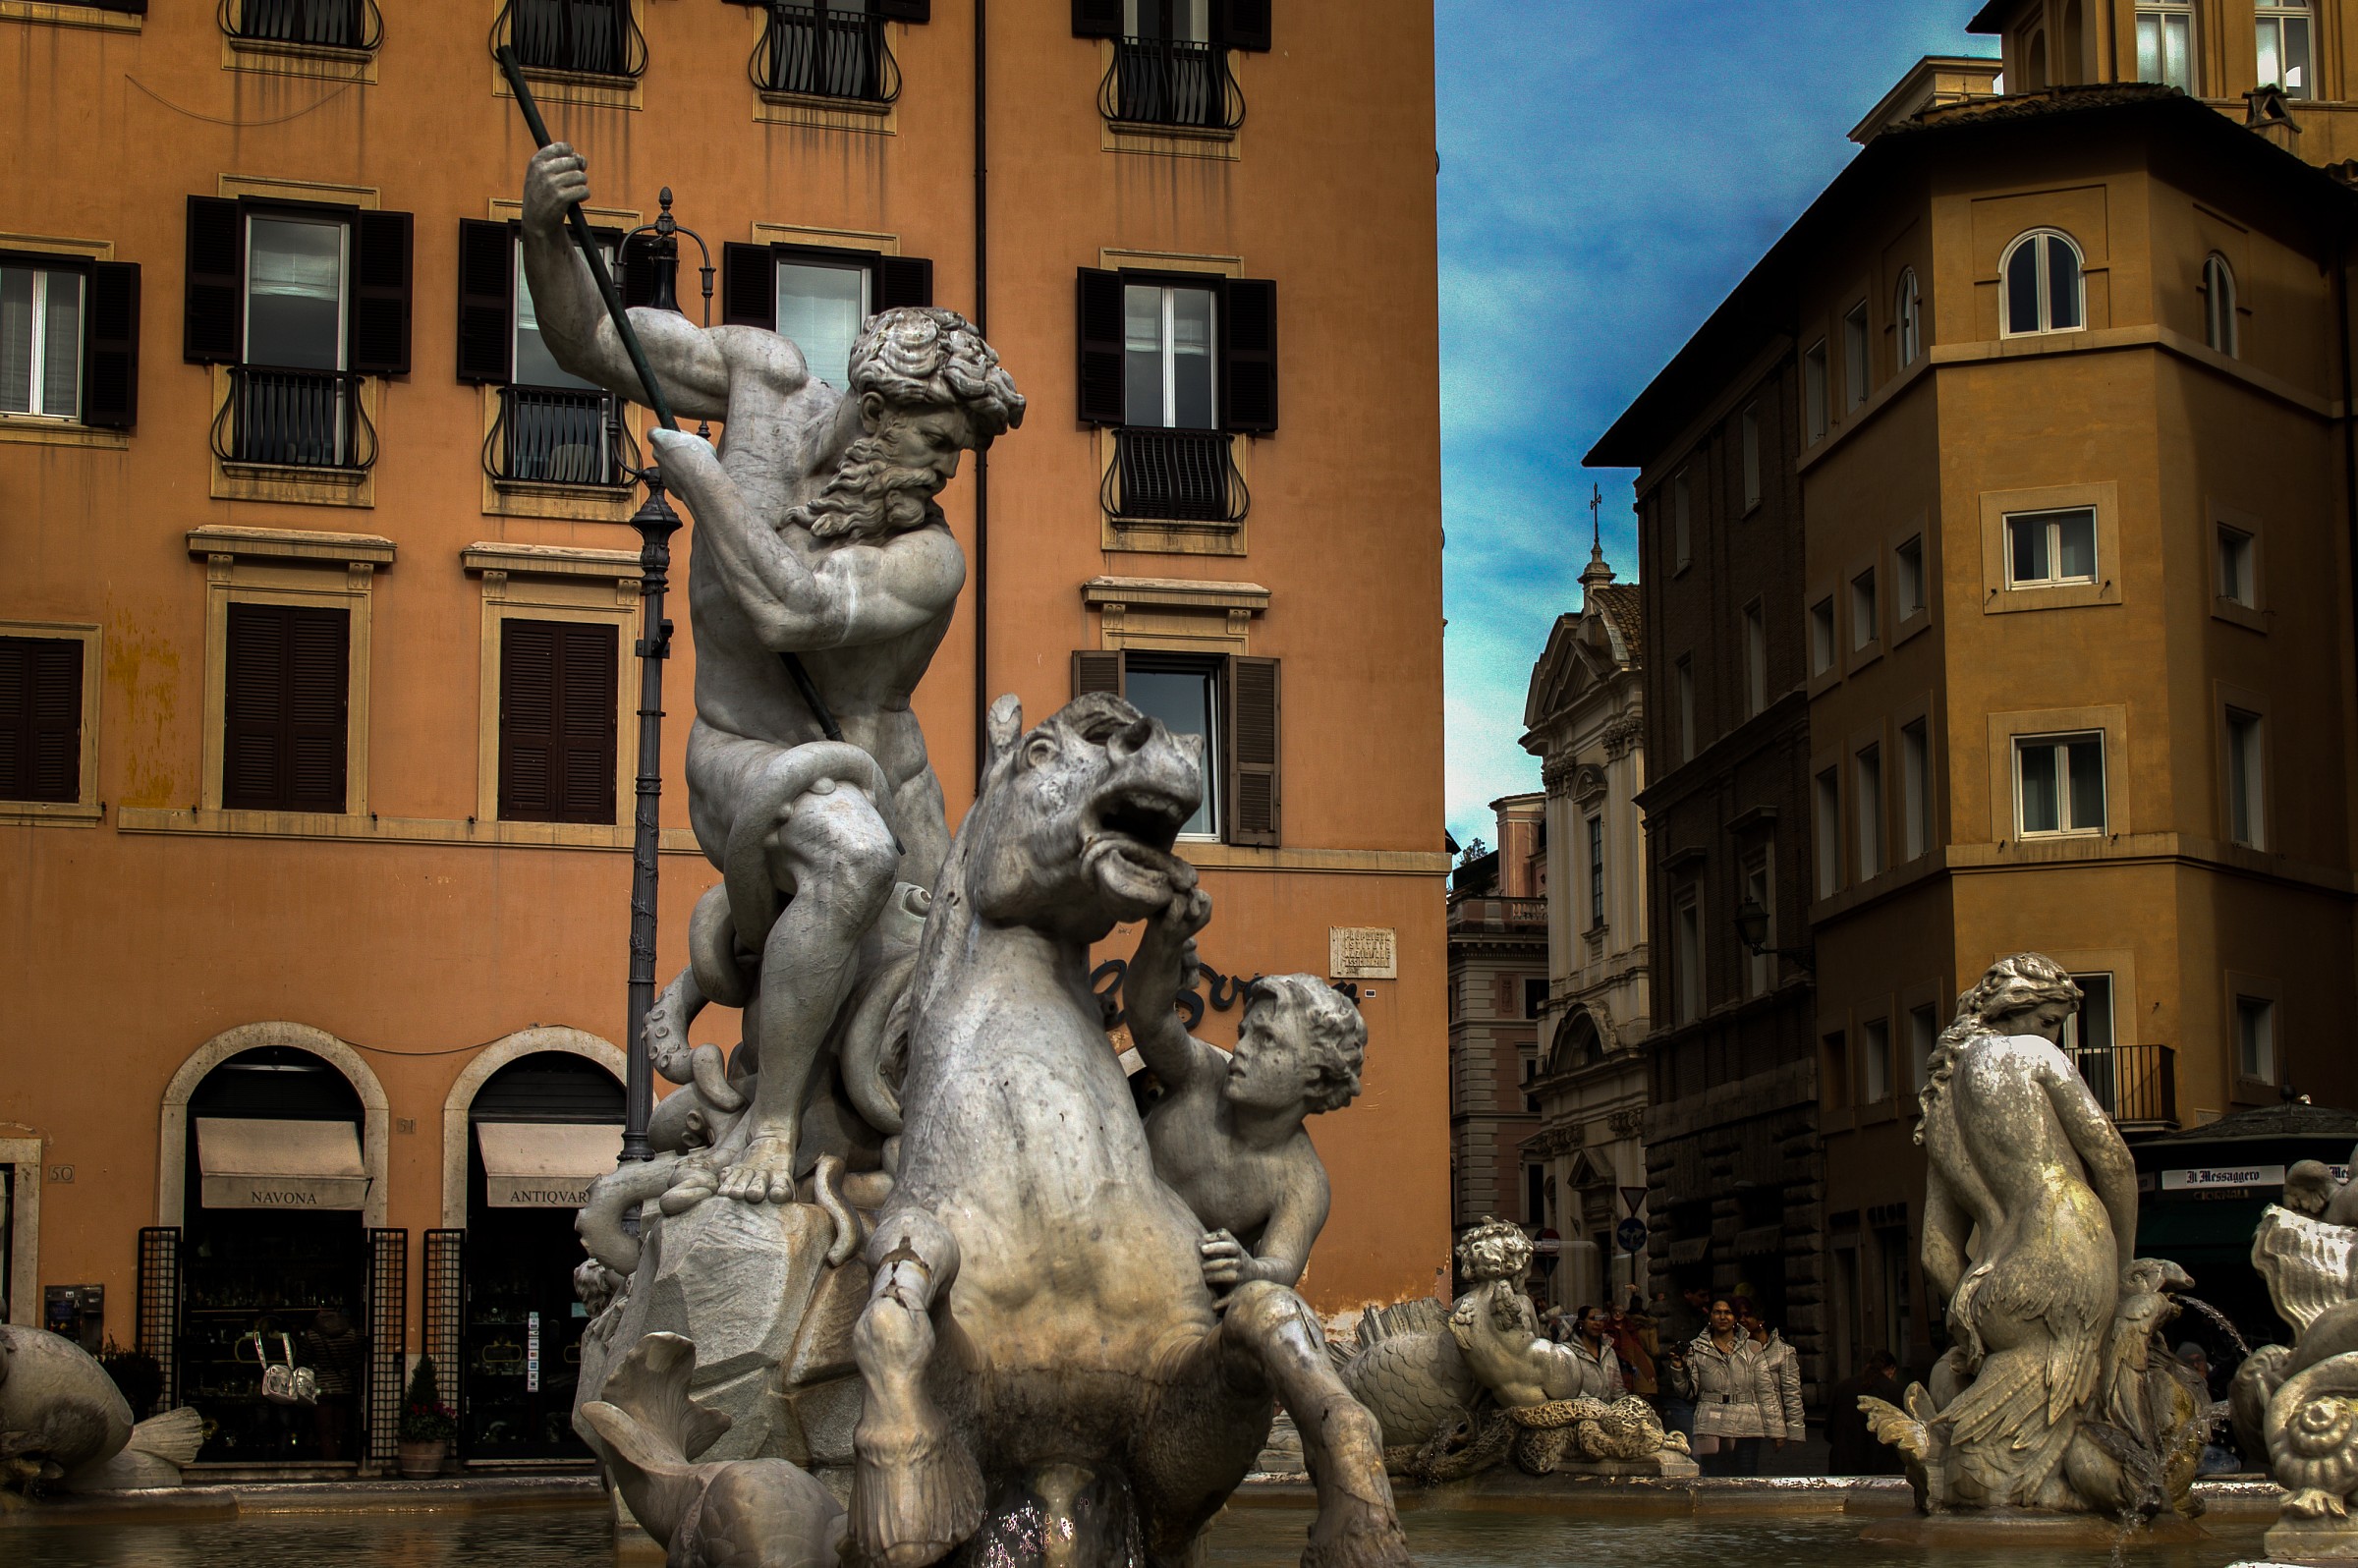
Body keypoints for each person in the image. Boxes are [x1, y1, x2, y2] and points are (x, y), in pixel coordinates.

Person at [522, 141, 1026, 1206]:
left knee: (957, 999)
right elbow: (587, 339)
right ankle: (773, 1124)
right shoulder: (758, 378)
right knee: (845, 858)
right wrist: (539, 233)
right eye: (938, 442)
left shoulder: (929, 557)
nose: (944, 473)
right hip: (747, 751)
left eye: (958, 457)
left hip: (897, 786)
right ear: (877, 409)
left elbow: (792, 608)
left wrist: (703, 484)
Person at [1917, 954, 2140, 1509]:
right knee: (2081, 1397)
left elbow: (1935, 1252)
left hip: (1989, 1281)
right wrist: (2124, 1271)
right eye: (2048, 1020)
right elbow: (2112, 1160)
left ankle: (1944, 1453)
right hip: (2065, 1246)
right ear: (2012, 1008)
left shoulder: (1940, 1102)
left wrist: (1971, 1327)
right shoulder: (2035, 1055)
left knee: (2008, 1401)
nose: (2053, 1034)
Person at [1123, 886, 1366, 1292]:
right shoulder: (1202, 1077)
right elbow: (1148, 1019)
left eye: (1267, 1040)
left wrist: (1251, 1271)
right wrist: (1160, 950)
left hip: (1161, 1292)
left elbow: (1280, 1266)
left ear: (1317, 1076)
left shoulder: (1300, 1181)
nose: (1241, 1049)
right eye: (1244, 1033)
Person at [1688, 1297, 1773, 1476]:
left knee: (1746, 1477)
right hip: (1711, 1421)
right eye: (1717, 1312)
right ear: (1710, 1316)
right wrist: (1678, 1369)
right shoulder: (1696, 1348)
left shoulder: (1753, 1347)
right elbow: (1687, 1391)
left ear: (1735, 1317)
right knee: (1714, 1478)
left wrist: (1776, 1429)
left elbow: (1765, 1389)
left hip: (1747, 1422)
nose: (1723, 1317)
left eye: (1728, 1312)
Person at [1825, 1349, 1906, 1476]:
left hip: (1845, 1465)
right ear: (1891, 1370)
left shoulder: (1842, 1387)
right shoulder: (1896, 1391)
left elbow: (1829, 1431)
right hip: (1882, 1467)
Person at [302, 1308, 364, 1462]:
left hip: (322, 1385)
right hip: (344, 1385)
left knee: (324, 1431)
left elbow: (302, 1360)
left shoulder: (312, 1335)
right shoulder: (351, 1334)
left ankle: (330, 1462)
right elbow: (357, 1359)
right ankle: (339, 1456)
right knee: (339, 1429)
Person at [1748, 1311, 1804, 1458]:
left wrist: (1795, 1431)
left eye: (1747, 1315)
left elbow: (1792, 1393)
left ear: (1761, 1320)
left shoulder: (1783, 1351)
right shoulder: (1737, 1349)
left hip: (1773, 1429)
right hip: (1745, 1425)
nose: (1742, 1320)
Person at [1566, 1306, 1625, 1401]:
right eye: (1593, 1319)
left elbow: (1617, 1389)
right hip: (1582, 1412)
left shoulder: (1610, 1352)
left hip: (1609, 1412)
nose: (1598, 1323)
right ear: (1581, 1323)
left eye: (1601, 1319)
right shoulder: (1569, 1352)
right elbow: (1569, 1388)